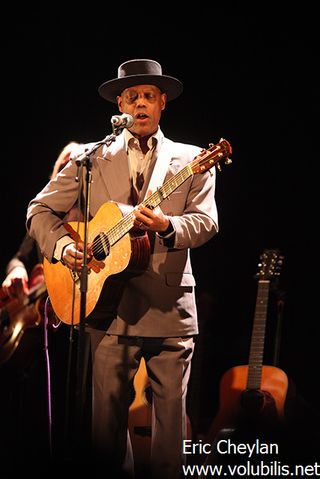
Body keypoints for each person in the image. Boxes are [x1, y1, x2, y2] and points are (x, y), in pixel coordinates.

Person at [26, 59, 219, 479]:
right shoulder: (91, 160)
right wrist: (62, 247)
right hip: (107, 310)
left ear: (163, 103)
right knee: (105, 440)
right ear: (120, 105)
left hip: (171, 310)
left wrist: (167, 225)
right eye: (133, 96)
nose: (142, 103)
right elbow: (39, 209)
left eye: (150, 95)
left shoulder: (192, 159)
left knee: (170, 441)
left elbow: (206, 222)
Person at [0, 141, 82, 470]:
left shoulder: (92, 219)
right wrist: (16, 273)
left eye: (75, 163)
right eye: (63, 161)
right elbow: (18, 258)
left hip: (70, 326)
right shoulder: (44, 218)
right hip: (36, 331)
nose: (68, 166)